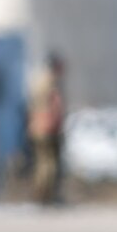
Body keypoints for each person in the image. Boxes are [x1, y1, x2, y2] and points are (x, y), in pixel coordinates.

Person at [27, 53, 67, 207]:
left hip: (37, 127)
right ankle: (46, 197)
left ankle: (40, 197)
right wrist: (58, 123)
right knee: (49, 164)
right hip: (49, 128)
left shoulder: (37, 82)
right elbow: (57, 106)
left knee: (41, 163)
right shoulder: (52, 83)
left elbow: (31, 106)